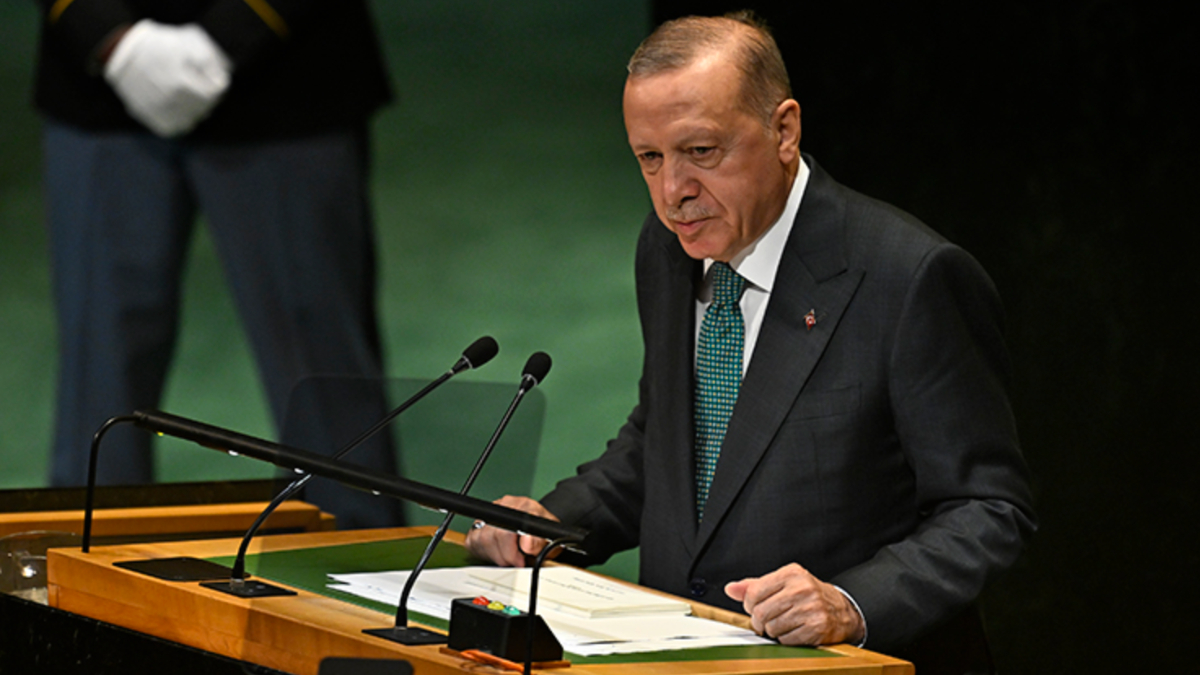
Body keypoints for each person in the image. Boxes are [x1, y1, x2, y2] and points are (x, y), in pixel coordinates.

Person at [465, 12, 1036, 672]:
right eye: (650, 159)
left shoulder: (908, 278)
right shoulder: (668, 250)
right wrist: (547, 526)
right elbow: (670, 444)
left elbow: (986, 507)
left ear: (784, 130)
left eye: (701, 151)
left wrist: (852, 604)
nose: (673, 193)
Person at [35, 0, 404, 528]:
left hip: (287, 84)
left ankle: (356, 571)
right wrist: (109, 36)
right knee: (97, 382)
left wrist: (231, 33)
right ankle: (82, 570)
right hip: (99, 88)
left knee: (324, 387)